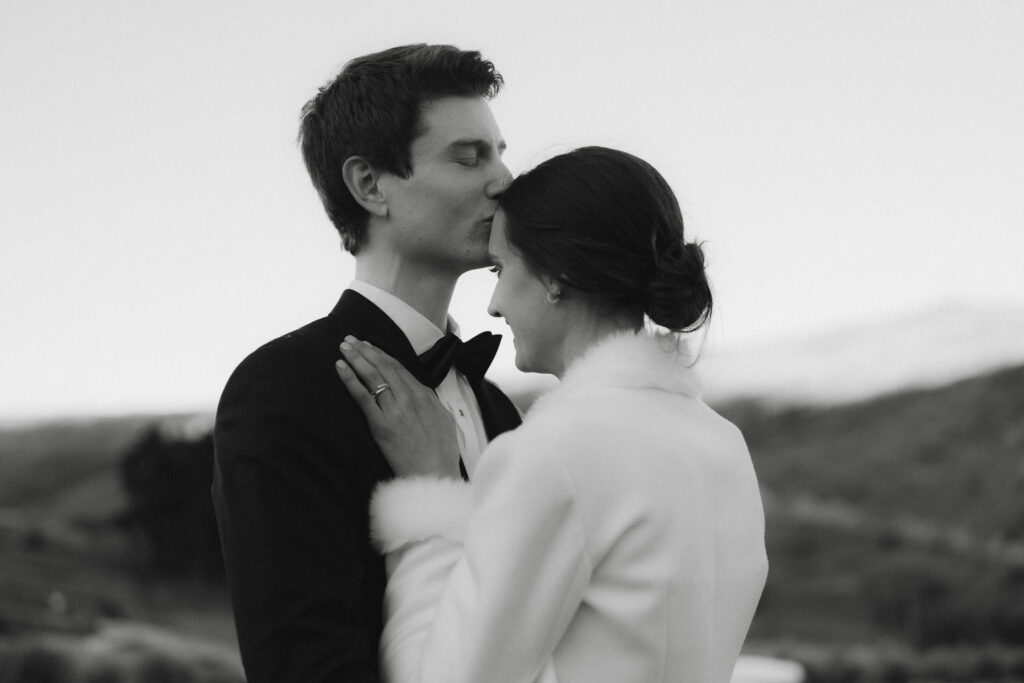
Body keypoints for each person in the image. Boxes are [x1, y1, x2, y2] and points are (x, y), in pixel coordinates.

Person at [335, 146, 769, 683]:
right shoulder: (725, 445)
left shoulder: (555, 451)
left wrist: (431, 489)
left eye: (501, 267)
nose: (493, 303)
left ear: (556, 275)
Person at [211, 44, 522, 683]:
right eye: (469, 157)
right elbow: (302, 662)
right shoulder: (283, 390)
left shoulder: (499, 409)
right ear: (370, 184)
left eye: (499, 153)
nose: (506, 182)